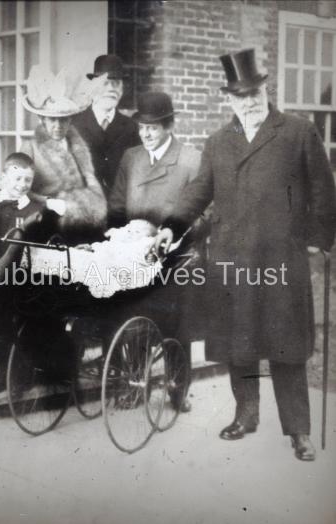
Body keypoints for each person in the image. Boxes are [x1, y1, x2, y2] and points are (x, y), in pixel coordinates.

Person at [155, 48, 336, 461]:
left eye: (254, 92)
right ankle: (246, 415)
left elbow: (324, 191)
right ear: (229, 99)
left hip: (280, 260)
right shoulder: (219, 141)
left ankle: (299, 431)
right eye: (240, 96)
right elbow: (199, 191)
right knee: (241, 343)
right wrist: (171, 226)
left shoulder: (297, 132)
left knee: (287, 346)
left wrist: (318, 239)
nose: (249, 101)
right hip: (232, 261)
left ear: (265, 91)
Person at [108, 91, 206, 413]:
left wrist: (170, 234)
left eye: (153, 127)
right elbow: (118, 205)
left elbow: (206, 213)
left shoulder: (191, 160)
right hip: (135, 252)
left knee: (176, 326)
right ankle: (137, 385)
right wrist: (119, 231)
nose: (145, 134)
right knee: (133, 316)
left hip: (177, 255)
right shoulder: (131, 158)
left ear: (169, 125)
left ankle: (179, 388)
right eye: (141, 127)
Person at [0, 152, 57, 393]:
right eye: (16, 179)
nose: (22, 185)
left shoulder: (36, 208)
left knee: (22, 323)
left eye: (27, 180)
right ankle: (4, 370)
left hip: (23, 278)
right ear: (3, 177)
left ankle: (22, 373)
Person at [21, 66, 107, 241]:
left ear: (70, 120)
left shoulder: (78, 147)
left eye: (63, 120)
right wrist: (49, 202)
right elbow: (20, 190)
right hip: (46, 222)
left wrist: (97, 204)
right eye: (52, 120)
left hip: (82, 221)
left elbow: (90, 181)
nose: (58, 126)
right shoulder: (30, 147)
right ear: (42, 119)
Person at [73, 54, 141, 193]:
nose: (111, 88)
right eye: (105, 83)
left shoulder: (132, 127)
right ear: (93, 87)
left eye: (116, 83)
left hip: (120, 209)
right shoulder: (74, 123)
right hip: (86, 207)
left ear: (121, 90)